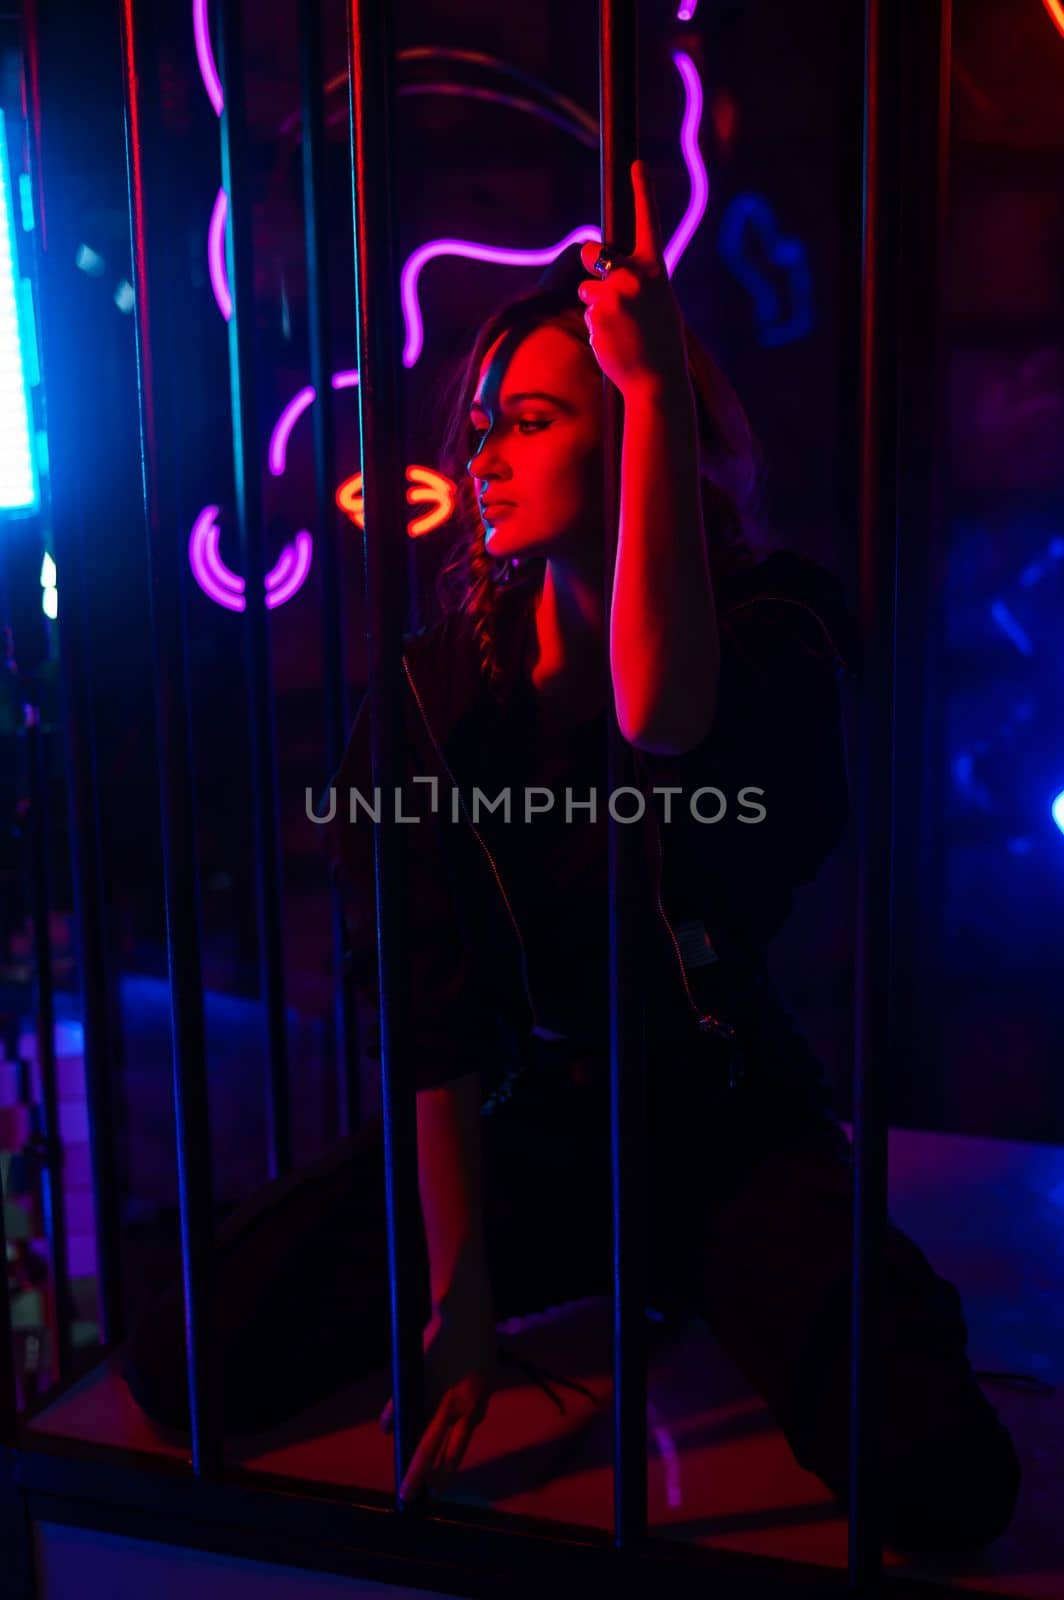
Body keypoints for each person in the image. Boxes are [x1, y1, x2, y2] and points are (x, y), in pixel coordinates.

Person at [123, 163, 1020, 1556]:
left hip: (726, 1124)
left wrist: (653, 384)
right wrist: (461, 1288)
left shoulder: (774, 634)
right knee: (186, 1358)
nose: (479, 452)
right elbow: (429, 1016)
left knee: (944, 1485)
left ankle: (721, 1280)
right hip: (533, 1128)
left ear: (633, 436)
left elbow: (663, 714)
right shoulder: (433, 699)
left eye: (531, 420)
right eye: (480, 423)